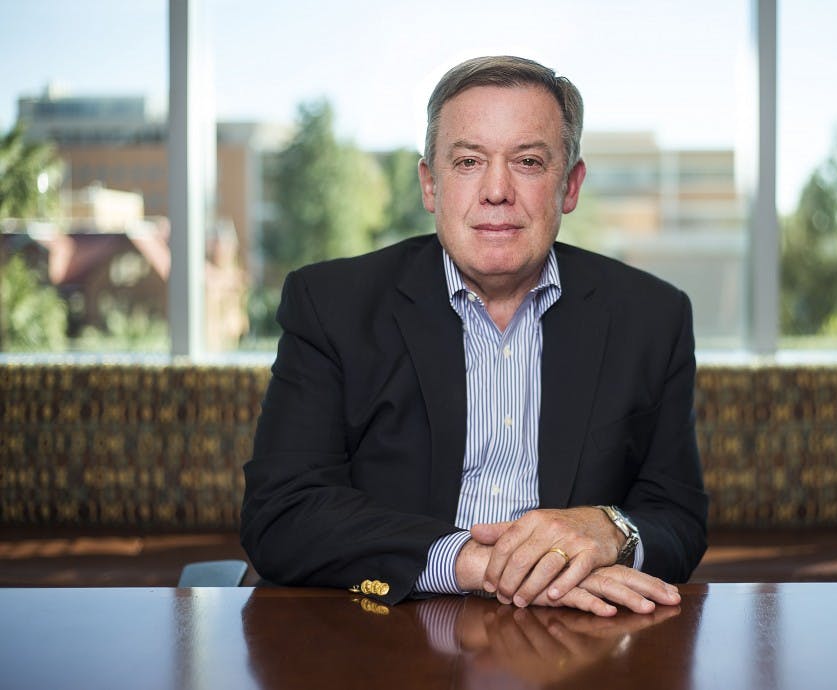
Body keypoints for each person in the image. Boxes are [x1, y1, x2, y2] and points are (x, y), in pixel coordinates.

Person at [241, 55, 708, 616]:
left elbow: (677, 515)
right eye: (468, 162)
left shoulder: (652, 317)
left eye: (529, 161)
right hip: (389, 627)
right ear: (430, 184)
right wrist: (477, 563)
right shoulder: (332, 306)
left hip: (580, 635)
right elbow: (282, 512)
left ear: (570, 185)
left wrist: (613, 530)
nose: (496, 191)